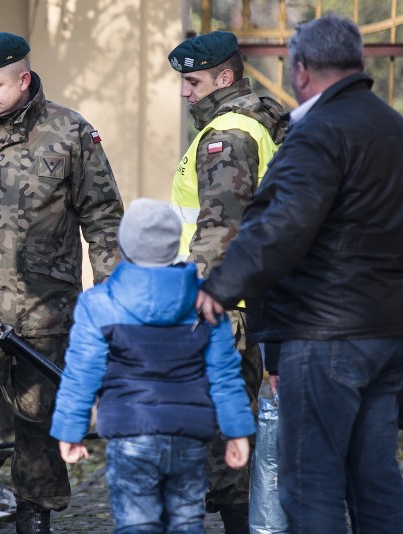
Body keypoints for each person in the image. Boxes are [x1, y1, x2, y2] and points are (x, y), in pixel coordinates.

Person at [196, 13, 403, 533]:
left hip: (324, 333)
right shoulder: (393, 128)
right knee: (374, 478)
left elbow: (280, 226)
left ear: (301, 69)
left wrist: (219, 287)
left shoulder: (317, 133)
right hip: (387, 333)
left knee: (311, 484)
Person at [0, 31, 124, 533]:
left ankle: (35, 519)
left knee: (40, 426)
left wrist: (109, 294)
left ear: (24, 80)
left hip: (44, 311)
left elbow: (104, 216)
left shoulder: (69, 133)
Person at [50, 197, 255, 533]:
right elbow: (225, 375)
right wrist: (237, 433)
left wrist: (70, 433)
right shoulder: (205, 300)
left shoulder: (99, 302)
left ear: (125, 246)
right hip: (189, 433)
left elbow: (81, 374)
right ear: (174, 244)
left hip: (130, 431)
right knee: (186, 522)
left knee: (137, 523)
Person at [167, 30, 287, 533]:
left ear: (225, 76)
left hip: (224, 306)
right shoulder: (251, 122)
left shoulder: (228, 135)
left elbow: (220, 229)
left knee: (223, 435)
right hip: (243, 302)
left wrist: (197, 302)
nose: (184, 91)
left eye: (192, 80)